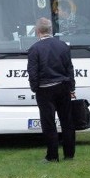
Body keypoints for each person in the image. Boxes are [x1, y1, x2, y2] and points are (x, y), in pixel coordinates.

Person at [26, 17, 76, 162]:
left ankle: (52, 156)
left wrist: (35, 88)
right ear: (51, 30)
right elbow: (69, 69)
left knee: (49, 123)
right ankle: (69, 154)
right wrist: (71, 87)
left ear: (37, 31)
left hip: (45, 89)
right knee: (67, 121)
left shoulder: (35, 49)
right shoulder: (63, 46)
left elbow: (33, 72)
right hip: (63, 86)